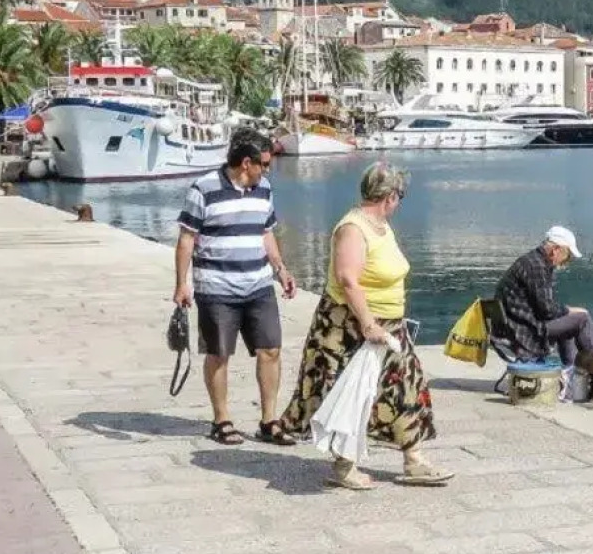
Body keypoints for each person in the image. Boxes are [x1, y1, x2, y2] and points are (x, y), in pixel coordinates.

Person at [278, 162, 452, 490]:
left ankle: (414, 460)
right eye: (400, 195)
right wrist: (369, 324)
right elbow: (347, 278)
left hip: (390, 327)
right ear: (389, 196)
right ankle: (344, 466)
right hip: (351, 327)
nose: (399, 202)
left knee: (407, 388)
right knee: (349, 393)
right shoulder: (353, 228)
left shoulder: (380, 226)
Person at [173, 128, 296, 446]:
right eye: (264, 164)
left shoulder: (264, 189)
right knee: (219, 353)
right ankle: (221, 420)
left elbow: (266, 232)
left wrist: (280, 269)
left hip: (258, 284)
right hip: (216, 288)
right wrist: (181, 284)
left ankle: (269, 420)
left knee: (271, 349)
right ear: (246, 163)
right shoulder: (203, 189)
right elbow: (187, 239)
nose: (267, 170)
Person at [492, 226, 593, 372]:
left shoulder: (530, 260)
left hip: (514, 326)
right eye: (567, 255)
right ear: (555, 250)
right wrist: (570, 310)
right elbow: (547, 311)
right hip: (525, 331)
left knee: (569, 321)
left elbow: (545, 307)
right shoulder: (536, 266)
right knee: (583, 318)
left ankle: (570, 371)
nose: (566, 261)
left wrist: (567, 312)